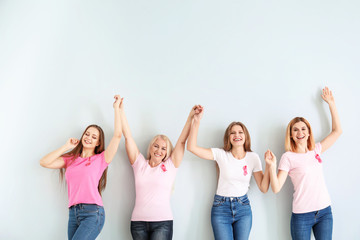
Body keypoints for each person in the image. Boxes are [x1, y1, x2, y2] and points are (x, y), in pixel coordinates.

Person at [39, 95, 123, 240]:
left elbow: (117, 136)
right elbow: (44, 162)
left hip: (93, 213)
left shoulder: (101, 159)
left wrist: (116, 109)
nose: (89, 137)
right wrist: (66, 146)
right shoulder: (70, 159)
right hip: (73, 214)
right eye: (87, 134)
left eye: (94, 137)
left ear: (98, 143)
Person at [266, 87, 342, 240]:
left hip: (325, 211)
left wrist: (331, 104)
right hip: (302, 215)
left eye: (303, 129)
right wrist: (271, 166)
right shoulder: (288, 157)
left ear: (308, 132)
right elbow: (275, 188)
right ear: (291, 135)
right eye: (295, 130)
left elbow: (337, 131)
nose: (300, 132)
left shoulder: (316, 150)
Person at [187, 105, 271, 240]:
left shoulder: (253, 157)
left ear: (245, 136)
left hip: (243, 208)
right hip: (221, 208)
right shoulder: (221, 154)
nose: (237, 135)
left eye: (240, 132)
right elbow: (191, 147)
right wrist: (196, 121)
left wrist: (269, 166)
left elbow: (264, 187)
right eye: (233, 133)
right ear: (228, 137)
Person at [120, 99, 199, 240]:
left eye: (164, 148)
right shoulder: (139, 164)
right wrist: (120, 111)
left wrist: (190, 117)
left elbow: (181, 141)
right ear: (150, 147)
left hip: (162, 223)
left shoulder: (170, 165)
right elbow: (128, 137)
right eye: (156, 146)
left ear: (167, 152)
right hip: (138, 223)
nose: (159, 150)